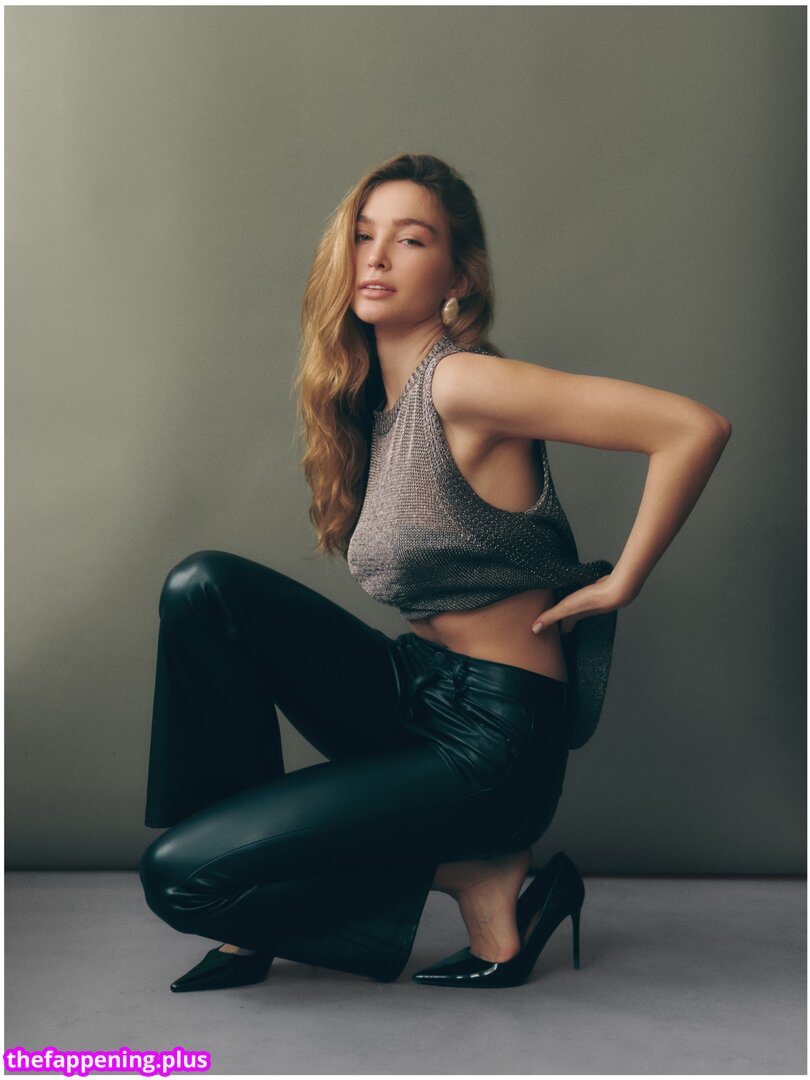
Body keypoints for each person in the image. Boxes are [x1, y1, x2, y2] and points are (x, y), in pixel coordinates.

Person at [139, 152, 731, 992]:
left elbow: (691, 427)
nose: (376, 258)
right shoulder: (376, 405)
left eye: (411, 240)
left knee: (178, 879)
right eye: (362, 235)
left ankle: (464, 872)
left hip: (493, 743)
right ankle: (295, 884)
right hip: (413, 694)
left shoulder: (463, 382)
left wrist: (621, 580)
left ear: (458, 276)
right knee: (205, 589)